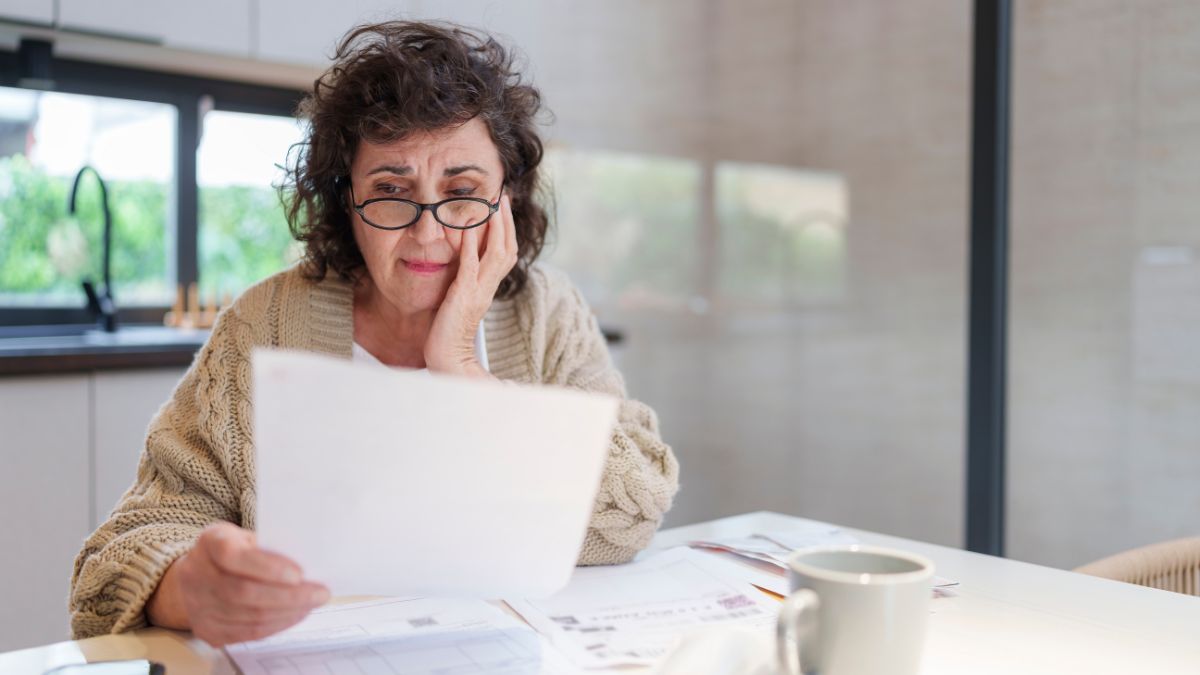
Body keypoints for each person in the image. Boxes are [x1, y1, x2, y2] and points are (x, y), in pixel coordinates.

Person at [68, 20, 679, 646]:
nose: (427, 233)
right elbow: (113, 563)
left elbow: (630, 515)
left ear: (507, 200)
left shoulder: (546, 314)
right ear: (346, 202)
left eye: (462, 192)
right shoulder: (263, 328)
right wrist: (186, 586)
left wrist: (462, 367)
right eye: (391, 191)